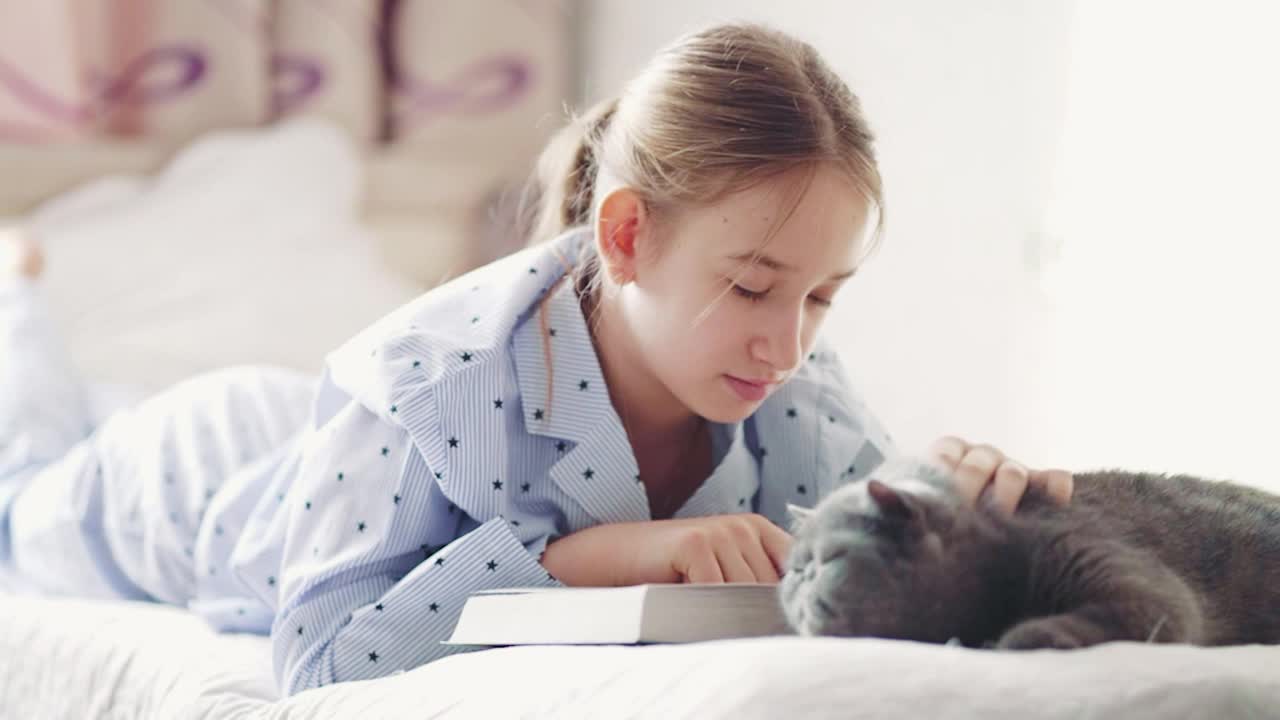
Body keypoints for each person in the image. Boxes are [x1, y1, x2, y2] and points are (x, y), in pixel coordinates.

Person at [0, 22, 1073, 698]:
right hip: (211, 472)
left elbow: (880, 553)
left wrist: (963, 503)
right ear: (624, 236)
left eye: (821, 298)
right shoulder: (428, 378)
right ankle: (16, 282)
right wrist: (597, 557)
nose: (787, 343)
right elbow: (319, 663)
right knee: (18, 498)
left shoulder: (786, 380)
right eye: (750, 287)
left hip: (320, 448)